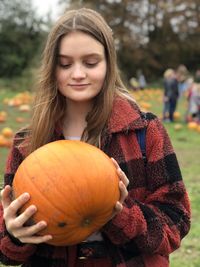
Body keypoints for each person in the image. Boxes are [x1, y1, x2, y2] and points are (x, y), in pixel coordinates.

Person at [0, 7, 191, 267]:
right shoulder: (27, 145)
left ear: (108, 64)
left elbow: (176, 222)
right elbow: (7, 252)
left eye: (91, 63)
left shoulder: (146, 131)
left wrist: (120, 213)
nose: (78, 74)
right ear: (51, 68)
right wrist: (14, 234)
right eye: (65, 64)